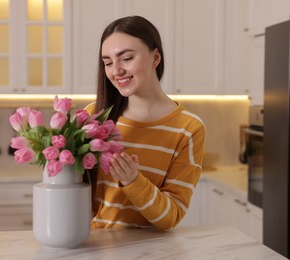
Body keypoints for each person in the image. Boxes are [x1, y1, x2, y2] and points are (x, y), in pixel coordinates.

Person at [85, 15, 206, 230]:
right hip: (92, 248)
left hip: (150, 252)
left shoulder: (188, 129)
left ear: (155, 58)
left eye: (127, 58)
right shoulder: (93, 116)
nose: (116, 70)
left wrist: (133, 181)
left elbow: (171, 217)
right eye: (108, 62)